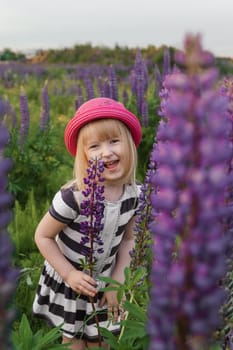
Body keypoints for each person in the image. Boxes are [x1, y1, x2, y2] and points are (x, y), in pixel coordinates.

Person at [32, 97, 142, 349]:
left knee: (102, 342)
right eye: (94, 146)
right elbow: (42, 236)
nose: (107, 152)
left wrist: (118, 281)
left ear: (131, 145)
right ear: (83, 155)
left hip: (106, 280)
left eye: (114, 141)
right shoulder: (73, 197)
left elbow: (130, 239)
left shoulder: (136, 195)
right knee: (74, 343)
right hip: (70, 280)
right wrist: (69, 273)